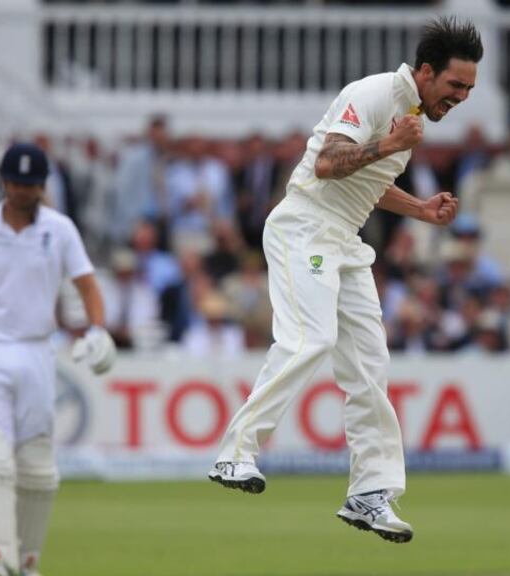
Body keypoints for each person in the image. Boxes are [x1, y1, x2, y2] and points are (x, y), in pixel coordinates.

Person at [207, 16, 481, 544]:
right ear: (425, 71)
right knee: (311, 340)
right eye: (455, 85)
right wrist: (387, 145)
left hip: (346, 242)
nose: (463, 96)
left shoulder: (412, 114)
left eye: (470, 88)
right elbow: (330, 163)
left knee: (370, 365)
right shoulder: (377, 93)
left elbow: (368, 182)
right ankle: (234, 454)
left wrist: (421, 209)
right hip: (304, 227)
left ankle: (370, 494)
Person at [0, 142, 116, 576]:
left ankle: (27, 561)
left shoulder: (60, 229)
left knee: (37, 466)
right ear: (4, 182)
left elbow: (88, 285)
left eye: (33, 185)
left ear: (42, 186)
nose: (25, 192)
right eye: (18, 183)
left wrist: (97, 328)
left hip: (37, 350)